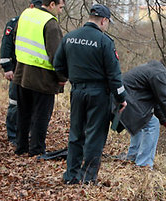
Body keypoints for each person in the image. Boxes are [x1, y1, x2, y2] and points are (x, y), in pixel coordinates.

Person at [53, 4, 127, 185]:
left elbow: (57, 65)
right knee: (95, 135)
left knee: (76, 133)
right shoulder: (105, 42)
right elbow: (114, 75)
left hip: (77, 91)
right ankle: (87, 178)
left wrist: (71, 77)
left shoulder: (69, 38)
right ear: (104, 20)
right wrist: (121, 98)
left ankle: (71, 175)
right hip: (99, 94)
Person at [13, 0, 66, 157]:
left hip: (22, 73)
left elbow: (16, 38)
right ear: (51, 4)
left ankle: (21, 147)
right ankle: (36, 150)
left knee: (23, 113)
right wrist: (62, 77)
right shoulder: (50, 23)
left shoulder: (26, 14)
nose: (61, 11)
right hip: (43, 78)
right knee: (41, 116)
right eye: (60, 7)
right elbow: (56, 55)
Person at [119, 55, 166, 168]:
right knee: (152, 124)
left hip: (121, 97)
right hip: (125, 100)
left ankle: (132, 157)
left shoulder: (154, 69)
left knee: (143, 122)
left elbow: (158, 104)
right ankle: (144, 165)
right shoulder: (159, 74)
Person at [0, 0, 42, 145]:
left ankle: (26, 135)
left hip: (34, 71)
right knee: (15, 103)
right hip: (17, 69)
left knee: (31, 105)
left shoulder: (42, 23)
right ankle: (13, 135)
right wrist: (7, 67)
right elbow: (6, 44)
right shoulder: (16, 22)